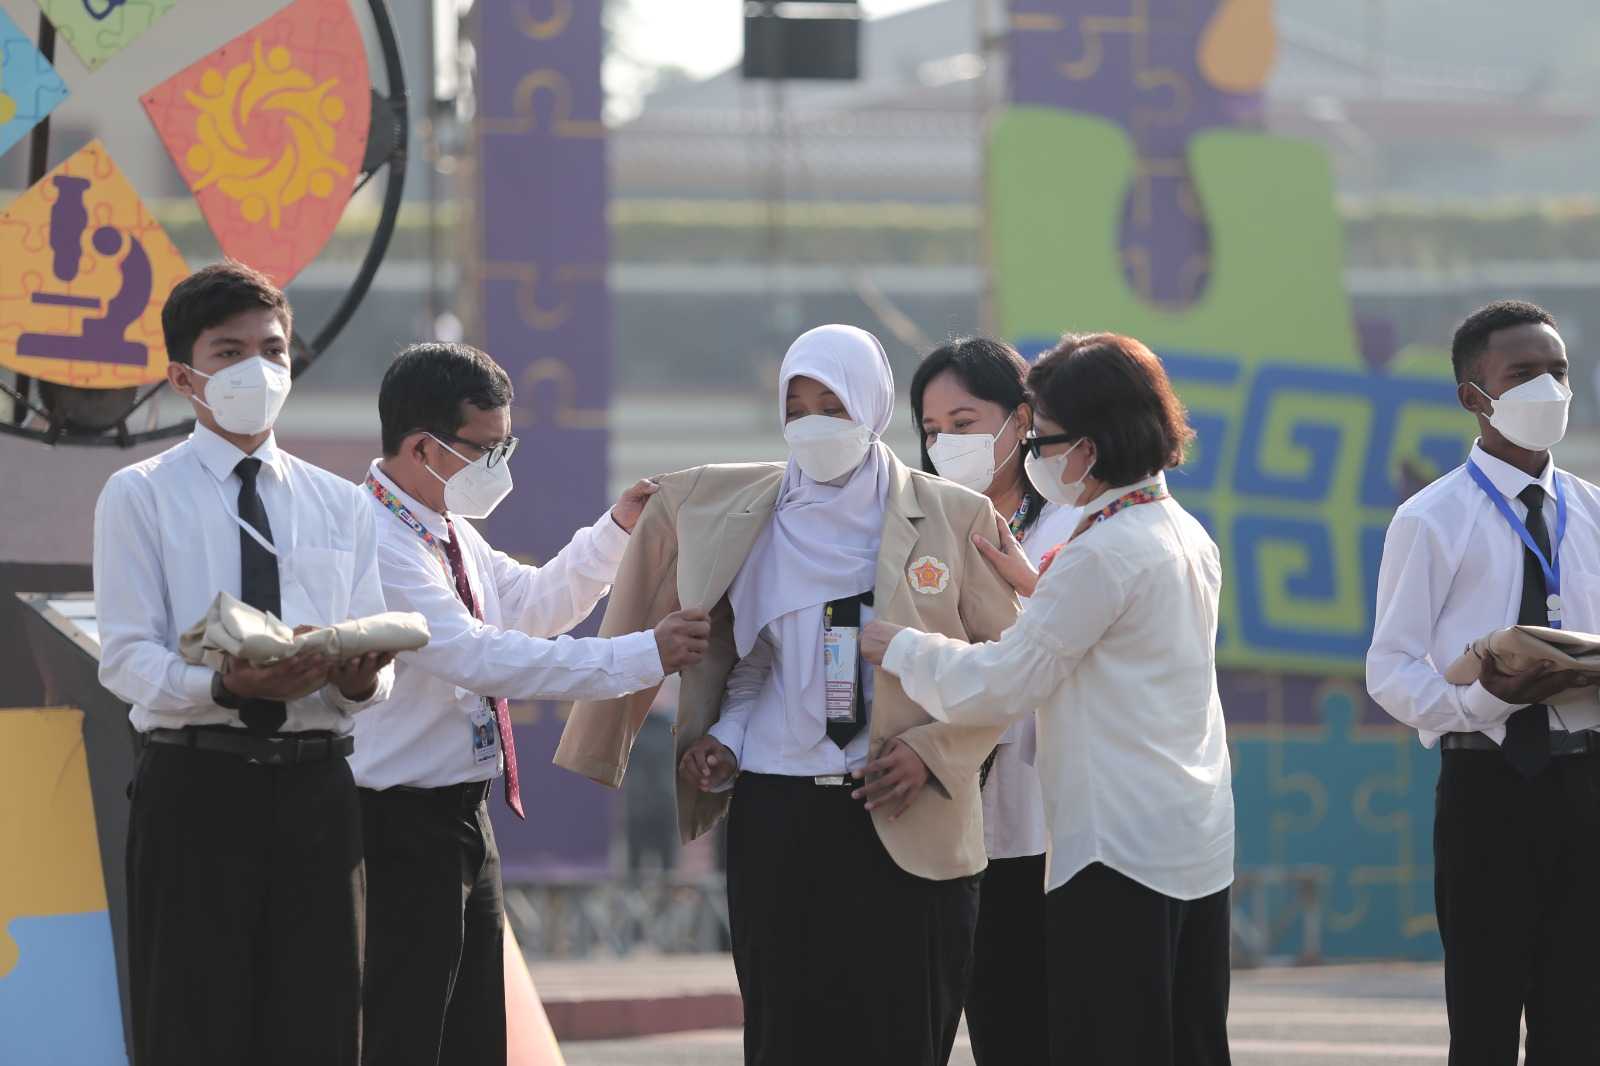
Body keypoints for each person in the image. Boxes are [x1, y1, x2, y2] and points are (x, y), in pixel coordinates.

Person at [553, 324, 1020, 1066]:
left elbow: (1013, 667)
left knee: (901, 1034)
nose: (811, 425)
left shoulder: (954, 517)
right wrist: (726, 742)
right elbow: (758, 663)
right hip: (779, 815)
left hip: (902, 810)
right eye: (795, 407)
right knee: (785, 1035)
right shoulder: (759, 518)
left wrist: (933, 755)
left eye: (830, 404)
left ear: (869, 406)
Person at [864, 332, 1235, 1066]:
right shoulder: (1178, 531)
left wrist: (898, 645)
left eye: (1044, 438)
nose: (1035, 455)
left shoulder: (1101, 551)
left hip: (1113, 849)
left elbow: (1005, 681)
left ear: (1090, 449)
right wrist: (1041, 589)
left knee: (1108, 1040)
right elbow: (1112, 641)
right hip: (1192, 838)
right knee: (1186, 1038)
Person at [352, 342, 709, 1066]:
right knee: (407, 1030)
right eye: (487, 450)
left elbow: (530, 605)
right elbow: (484, 654)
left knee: (476, 1031)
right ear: (422, 447)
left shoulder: (445, 528)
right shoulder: (377, 542)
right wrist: (643, 654)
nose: (501, 468)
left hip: (460, 813)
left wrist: (613, 533)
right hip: (396, 825)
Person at [93, 261, 397, 1066]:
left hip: (318, 791)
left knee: (320, 1025)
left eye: (273, 350)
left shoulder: (342, 504)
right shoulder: (140, 495)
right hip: (197, 787)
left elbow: (375, 670)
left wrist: (361, 675)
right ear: (183, 376)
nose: (256, 370)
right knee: (192, 1026)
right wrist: (223, 686)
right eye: (229, 353)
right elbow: (124, 656)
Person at [1367, 300, 1600, 1065]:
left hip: (1586, 783)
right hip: (1488, 786)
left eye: (1558, 372)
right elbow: (1391, 669)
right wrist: (1479, 700)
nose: (1550, 391)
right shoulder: (1431, 518)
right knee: (1486, 1019)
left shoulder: (1594, 511)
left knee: (1580, 1020)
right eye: (1524, 375)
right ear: (1475, 396)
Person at [909, 336, 1079, 1065]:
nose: (947, 442)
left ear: (1022, 420)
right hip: (941, 815)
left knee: (1030, 1029)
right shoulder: (913, 529)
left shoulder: (1074, 527)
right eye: (932, 428)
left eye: (965, 421)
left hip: (1047, 825)